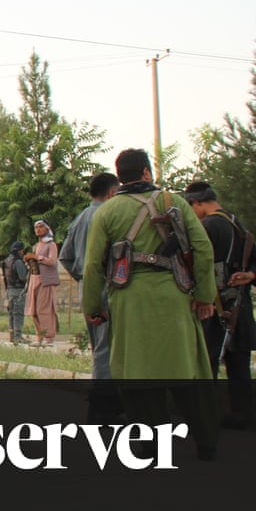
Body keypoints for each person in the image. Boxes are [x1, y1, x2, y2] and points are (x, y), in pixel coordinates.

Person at [81, 149, 219, 459]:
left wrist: (92, 306)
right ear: (146, 172)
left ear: (120, 176)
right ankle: (206, 443)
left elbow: (93, 265)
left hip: (129, 301)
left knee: (137, 377)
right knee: (188, 373)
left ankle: (150, 445)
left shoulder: (107, 211)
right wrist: (205, 297)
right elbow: (203, 249)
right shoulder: (174, 202)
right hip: (175, 297)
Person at [183, 181, 254, 429]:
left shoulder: (207, 226)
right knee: (239, 364)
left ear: (196, 203)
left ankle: (205, 415)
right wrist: (250, 275)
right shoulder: (237, 223)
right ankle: (242, 415)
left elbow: (196, 263)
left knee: (207, 361)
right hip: (239, 305)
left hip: (213, 304)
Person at [59, 172, 120, 377]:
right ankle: (103, 392)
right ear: (112, 194)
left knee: (98, 345)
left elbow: (65, 257)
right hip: (106, 285)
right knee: (107, 347)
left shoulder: (80, 219)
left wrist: (82, 278)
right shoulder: (108, 217)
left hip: (86, 287)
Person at [23, 219, 60, 347]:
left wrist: (37, 257)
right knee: (33, 310)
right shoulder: (36, 246)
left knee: (44, 309)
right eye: (36, 227)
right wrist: (28, 260)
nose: (38, 229)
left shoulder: (51, 245)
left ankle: (48, 338)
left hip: (45, 280)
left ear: (47, 229)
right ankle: (40, 336)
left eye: (41, 227)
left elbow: (52, 261)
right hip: (34, 278)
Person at [2, 241, 29, 344]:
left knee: (11, 314)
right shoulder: (18, 262)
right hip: (18, 290)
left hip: (9, 290)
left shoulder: (7, 260)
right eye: (22, 250)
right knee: (18, 313)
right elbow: (23, 277)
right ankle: (18, 336)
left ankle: (12, 335)